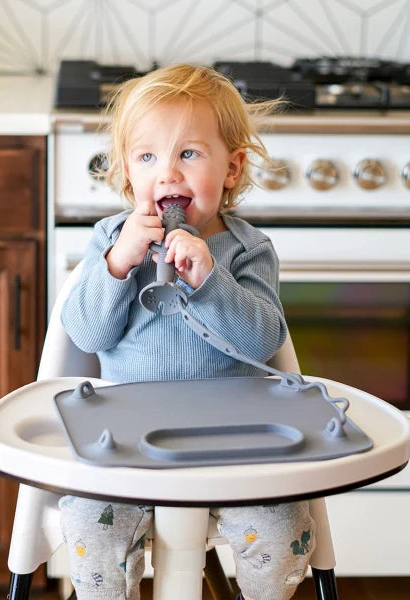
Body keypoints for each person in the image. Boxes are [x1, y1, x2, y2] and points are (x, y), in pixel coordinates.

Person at [59, 64, 315, 600]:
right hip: (123, 437)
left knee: (284, 527)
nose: (167, 175)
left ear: (232, 167)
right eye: (148, 157)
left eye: (189, 154)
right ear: (128, 171)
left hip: (237, 437)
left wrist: (210, 280)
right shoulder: (111, 237)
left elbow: (263, 339)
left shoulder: (247, 250)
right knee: (87, 524)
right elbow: (85, 334)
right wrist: (117, 263)